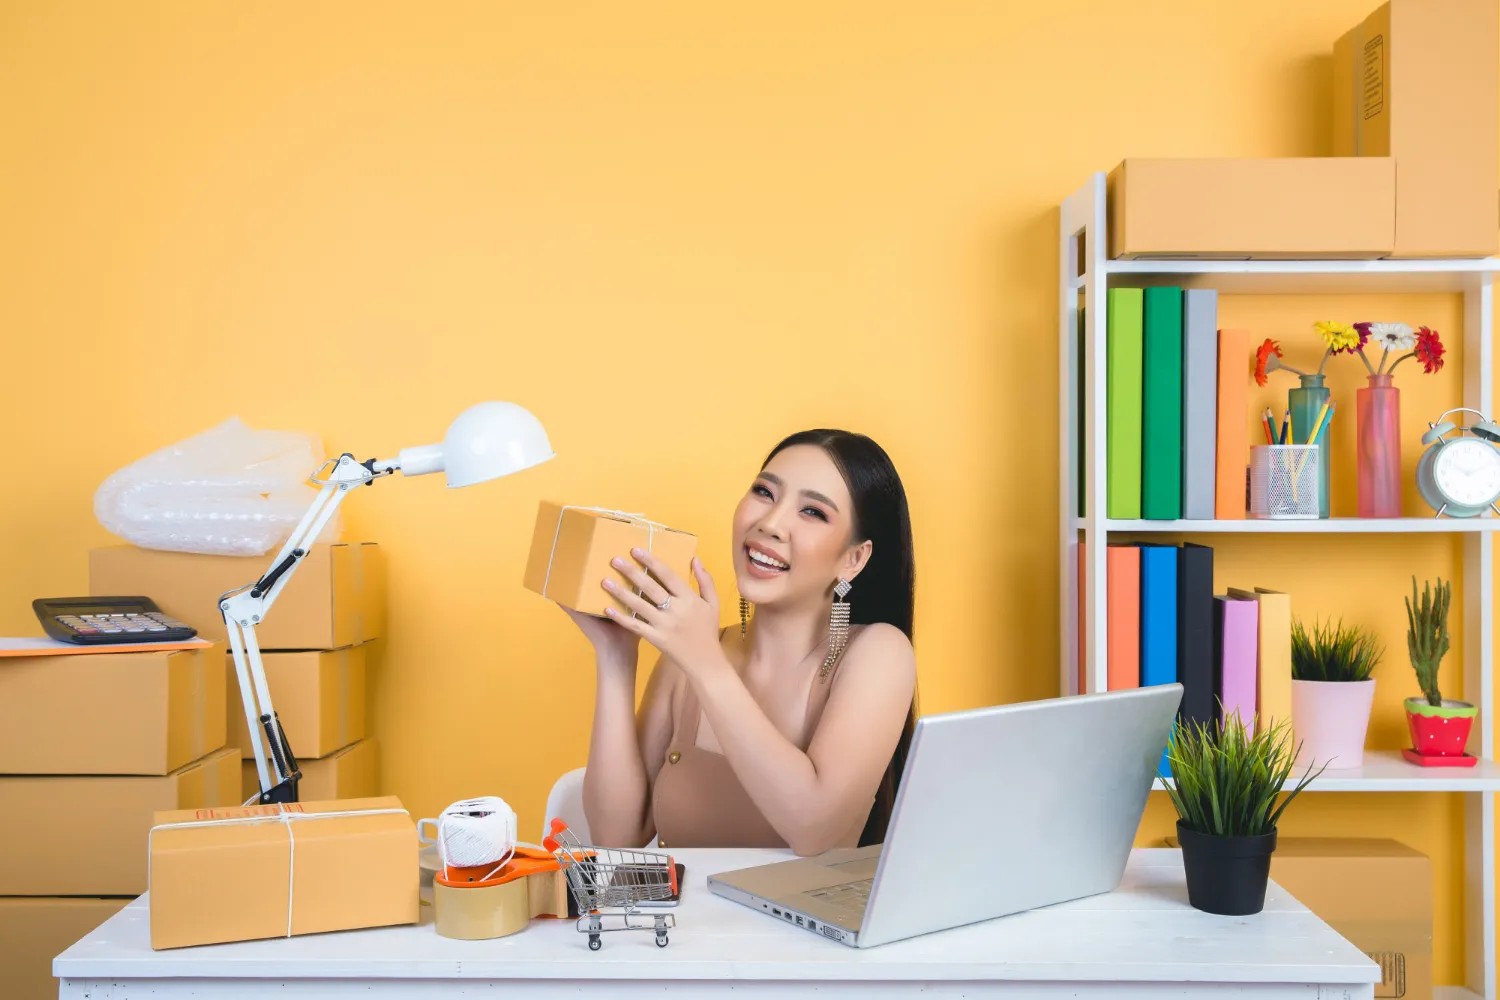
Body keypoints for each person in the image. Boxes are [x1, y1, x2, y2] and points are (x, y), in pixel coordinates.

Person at [567, 429, 918, 856]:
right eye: (764, 492)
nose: (770, 523)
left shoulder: (879, 654)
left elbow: (812, 829)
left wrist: (705, 663)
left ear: (853, 559)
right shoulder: (690, 655)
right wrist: (616, 655)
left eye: (812, 511)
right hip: (685, 925)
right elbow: (616, 837)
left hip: (798, 925)